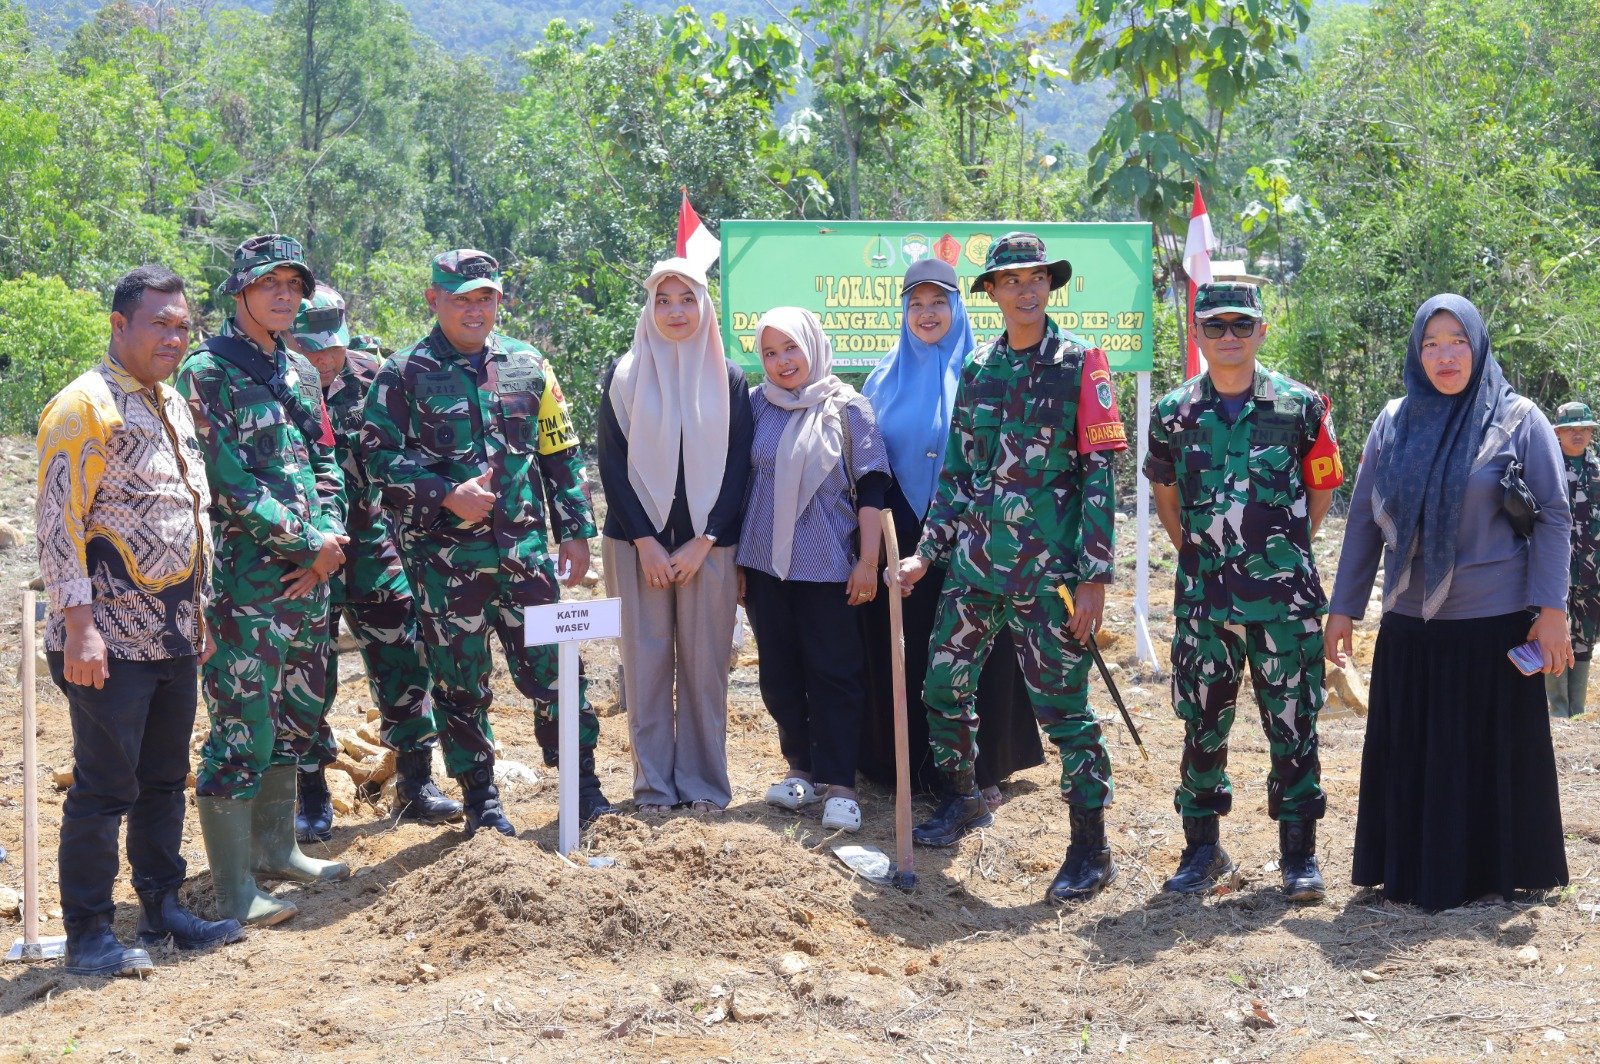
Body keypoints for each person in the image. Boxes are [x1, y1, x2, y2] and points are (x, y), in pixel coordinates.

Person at [894, 232, 1128, 904]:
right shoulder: (979, 370)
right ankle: (963, 798)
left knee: (1064, 712)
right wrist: (926, 553)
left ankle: (1090, 847)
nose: (1027, 291)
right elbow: (958, 473)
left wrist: (1094, 577)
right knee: (942, 686)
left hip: (1049, 576)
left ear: (1049, 286)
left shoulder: (1081, 364)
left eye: (1036, 279)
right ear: (992, 292)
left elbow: (1099, 477)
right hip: (974, 566)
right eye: (1012, 281)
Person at [1327, 293, 1572, 911]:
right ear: (1416, 353)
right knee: (1416, 752)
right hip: (1412, 623)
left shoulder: (1518, 419)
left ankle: (1497, 871)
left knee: (1490, 754)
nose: (1445, 356)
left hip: (1495, 624)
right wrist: (1344, 607)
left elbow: (1553, 516)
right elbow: (1363, 521)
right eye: (1431, 343)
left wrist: (1552, 610)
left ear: (1478, 346)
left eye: (1458, 341)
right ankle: (1414, 869)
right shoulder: (1394, 422)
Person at [36, 265, 245, 976]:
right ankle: (90, 934)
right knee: (104, 788)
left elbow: (188, 512)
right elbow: (59, 525)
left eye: (183, 325)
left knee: (163, 778)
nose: (174, 337)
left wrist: (199, 611)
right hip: (107, 636)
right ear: (119, 324)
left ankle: (163, 909)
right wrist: (79, 627)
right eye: (160, 323)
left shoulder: (170, 401)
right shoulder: (85, 406)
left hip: (173, 631)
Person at [363, 249, 612, 836]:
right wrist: (445, 493)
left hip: (526, 556)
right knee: (460, 684)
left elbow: (559, 450)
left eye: (485, 298)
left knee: (558, 670)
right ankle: (481, 799)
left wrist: (576, 530)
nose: (475, 310)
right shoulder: (403, 372)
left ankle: (583, 785)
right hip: (446, 565)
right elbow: (376, 457)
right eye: (461, 299)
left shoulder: (529, 364)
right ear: (434, 299)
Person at [1145, 281, 1344, 902]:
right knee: (1202, 724)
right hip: (1205, 603)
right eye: (1215, 326)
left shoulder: (1301, 406)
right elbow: (1167, 500)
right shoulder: (1173, 412)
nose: (1228, 336)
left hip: (1285, 602)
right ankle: (1202, 847)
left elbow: (1321, 490)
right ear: (1197, 334)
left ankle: (1299, 855)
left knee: (1294, 723)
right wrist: (1205, 559)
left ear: (1261, 331)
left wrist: (1279, 552)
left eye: (1240, 325)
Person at [176, 235, 352, 926]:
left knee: (296, 715)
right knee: (241, 725)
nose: (284, 295)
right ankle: (233, 890)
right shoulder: (207, 372)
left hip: (311, 581)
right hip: (247, 586)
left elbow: (325, 460)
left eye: (293, 285)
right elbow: (226, 480)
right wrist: (308, 544)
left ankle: (278, 850)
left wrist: (329, 540)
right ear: (240, 291)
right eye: (269, 283)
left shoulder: (300, 370)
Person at [858, 258, 1044, 805]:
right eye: (916, 303)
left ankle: (982, 769)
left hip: (979, 527)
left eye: (938, 301)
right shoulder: (880, 379)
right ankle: (909, 765)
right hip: (902, 527)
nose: (927, 313)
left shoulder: (988, 369)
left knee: (977, 645)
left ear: (958, 307)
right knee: (912, 645)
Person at [288, 286, 459, 834]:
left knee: (404, 659)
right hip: (303, 554)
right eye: (309, 346)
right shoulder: (273, 384)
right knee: (307, 673)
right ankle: (311, 794)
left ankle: (416, 781)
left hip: (375, 549)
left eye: (331, 346)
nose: (322, 358)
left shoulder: (377, 379)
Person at [596, 258, 753, 814]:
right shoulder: (624, 374)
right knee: (645, 668)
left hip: (707, 547)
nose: (675, 311)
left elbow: (738, 469)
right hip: (635, 546)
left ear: (705, 305)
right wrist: (645, 542)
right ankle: (654, 789)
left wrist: (705, 539)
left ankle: (705, 785)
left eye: (686, 298)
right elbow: (612, 466)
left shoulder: (729, 378)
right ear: (649, 308)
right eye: (663, 300)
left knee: (706, 671)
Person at [738, 307, 890, 832]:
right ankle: (800, 770)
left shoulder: (849, 408)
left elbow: (872, 487)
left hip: (828, 566)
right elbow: (741, 483)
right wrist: (737, 563)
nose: (782, 362)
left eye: (791, 348)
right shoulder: (755, 405)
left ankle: (840, 784)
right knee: (779, 675)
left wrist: (867, 561)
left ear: (814, 347)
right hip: (764, 565)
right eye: (770, 352)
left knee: (835, 674)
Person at [1548, 401, 1600, 718]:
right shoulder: (1545, 469)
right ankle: (1557, 711)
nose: (1577, 434)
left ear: (1591, 432)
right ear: (1558, 432)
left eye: (1583, 428)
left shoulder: (1598, 472)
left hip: (1593, 575)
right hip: (1554, 574)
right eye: (1570, 429)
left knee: (1585, 640)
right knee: (1554, 639)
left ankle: (1577, 712)